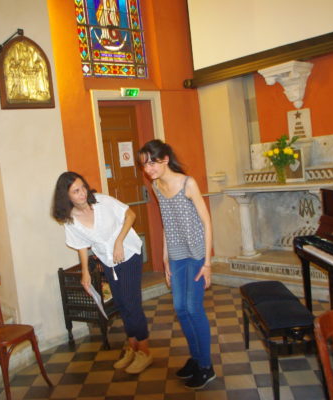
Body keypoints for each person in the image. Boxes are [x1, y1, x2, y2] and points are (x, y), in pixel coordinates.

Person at [52, 171, 152, 374]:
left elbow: (130, 215)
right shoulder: (70, 219)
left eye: (83, 187)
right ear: (66, 196)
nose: (82, 193)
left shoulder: (102, 202)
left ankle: (144, 351)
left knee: (131, 303)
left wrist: (119, 241)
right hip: (108, 260)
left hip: (128, 253)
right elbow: (81, 245)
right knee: (121, 304)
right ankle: (132, 347)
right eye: (76, 191)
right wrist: (85, 273)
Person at [138, 140, 215, 390]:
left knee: (193, 308)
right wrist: (165, 258)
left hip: (196, 254)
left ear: (165, 160)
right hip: (176, 254)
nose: (148, 169)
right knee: (180, 308)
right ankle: (196, 359)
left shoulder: (187, 183)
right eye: (144, 165)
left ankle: (206, 367)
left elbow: (207, 222)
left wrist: (207, 263)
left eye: (152, 163)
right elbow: (167, 222)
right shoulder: (156, 186)